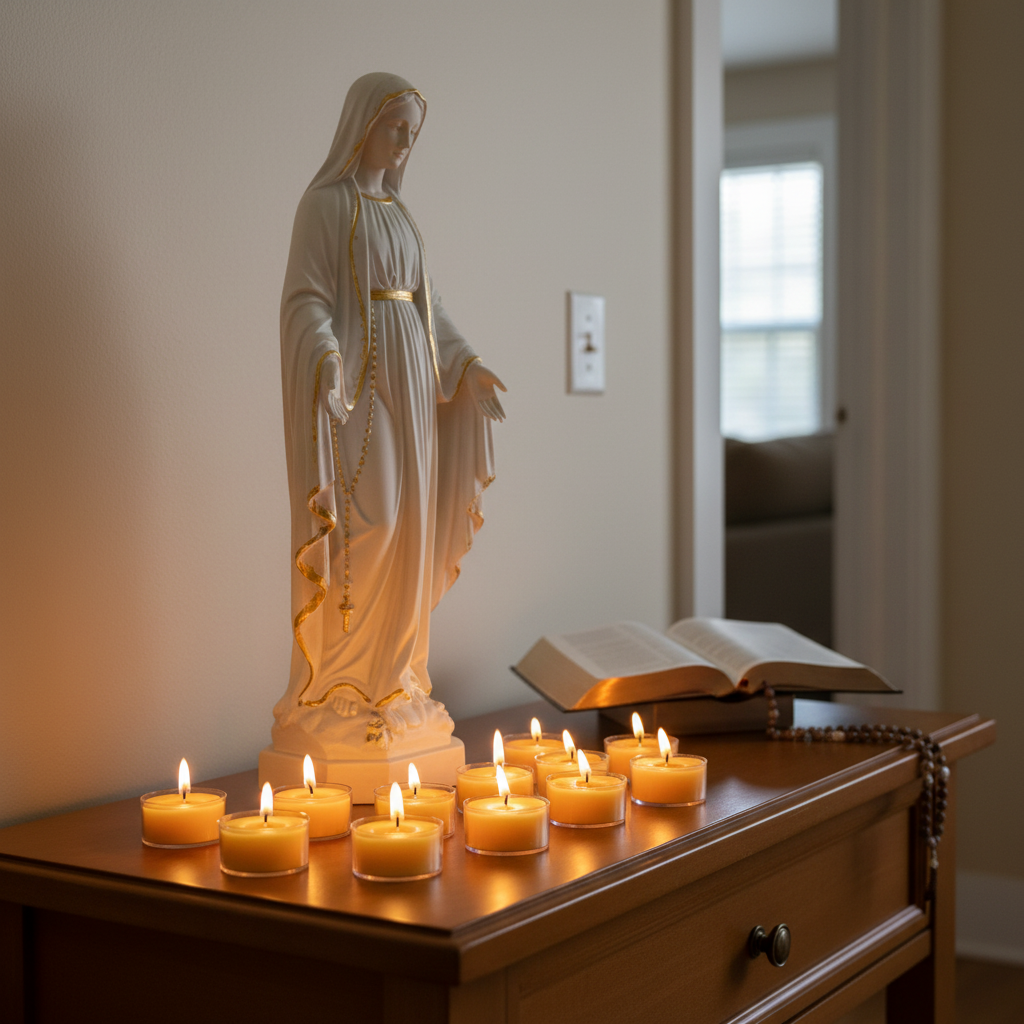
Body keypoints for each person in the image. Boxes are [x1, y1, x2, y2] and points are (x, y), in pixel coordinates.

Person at [272, 73, 505, 758]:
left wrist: (466, 366)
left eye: (412, 132)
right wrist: (323, 356)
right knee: (372, 522)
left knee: (412, 531)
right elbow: (305, 299)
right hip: (359, 388)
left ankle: (397, 681)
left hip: (412, 384)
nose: (405, 143)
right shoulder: (325, 205)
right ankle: (342, 684)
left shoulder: (401, 216)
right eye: (396, 127)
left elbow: (430, 314)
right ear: (362, 127)